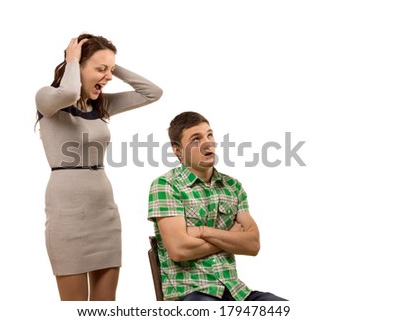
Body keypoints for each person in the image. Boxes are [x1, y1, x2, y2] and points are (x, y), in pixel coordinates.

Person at [36, 33, 162, 301]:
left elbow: (152, 93)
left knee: (105, 307)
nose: (107, 77)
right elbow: (69, 92)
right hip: (67, 213)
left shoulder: (101, 104)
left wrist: (113, 68)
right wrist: (72, 60)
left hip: (103, 212)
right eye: (100, 69)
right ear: (78, 66)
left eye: (110, 70)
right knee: (76, 310)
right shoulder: (47, 99)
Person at [148, 111, 286, 301]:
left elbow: (252, 244)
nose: (207, 143)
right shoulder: (166, 185)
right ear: (177, 150)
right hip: (191, 294)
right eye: (196, 139)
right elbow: (179, 250)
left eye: (209, 135)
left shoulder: (233, 186)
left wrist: (203, 231)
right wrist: (231, 237)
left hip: (236, 291)